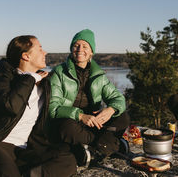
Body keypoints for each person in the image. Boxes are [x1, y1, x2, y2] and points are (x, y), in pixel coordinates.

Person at [0, 35, 77, 177]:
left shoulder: (44, 84)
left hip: (24, 149)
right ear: (26, 56)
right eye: (40, 48)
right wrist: (31, 78)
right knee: (6, 172)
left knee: (67, 161)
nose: (45, 52)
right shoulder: (6, 78)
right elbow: (10, 106)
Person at [49, 29, 130, 166]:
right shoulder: (59, 72)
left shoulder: (98, 75)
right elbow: (52, 108)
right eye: (76, 45)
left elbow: (118, 99)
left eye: (85, 46)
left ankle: (93, 150)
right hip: (71, 122)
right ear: (71, 49)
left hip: (93, 123)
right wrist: (80, 116)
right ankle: (113, 145)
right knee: (65, 128)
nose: (80, 49)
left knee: (123, 117)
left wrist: (110, 110)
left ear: (91, 52)